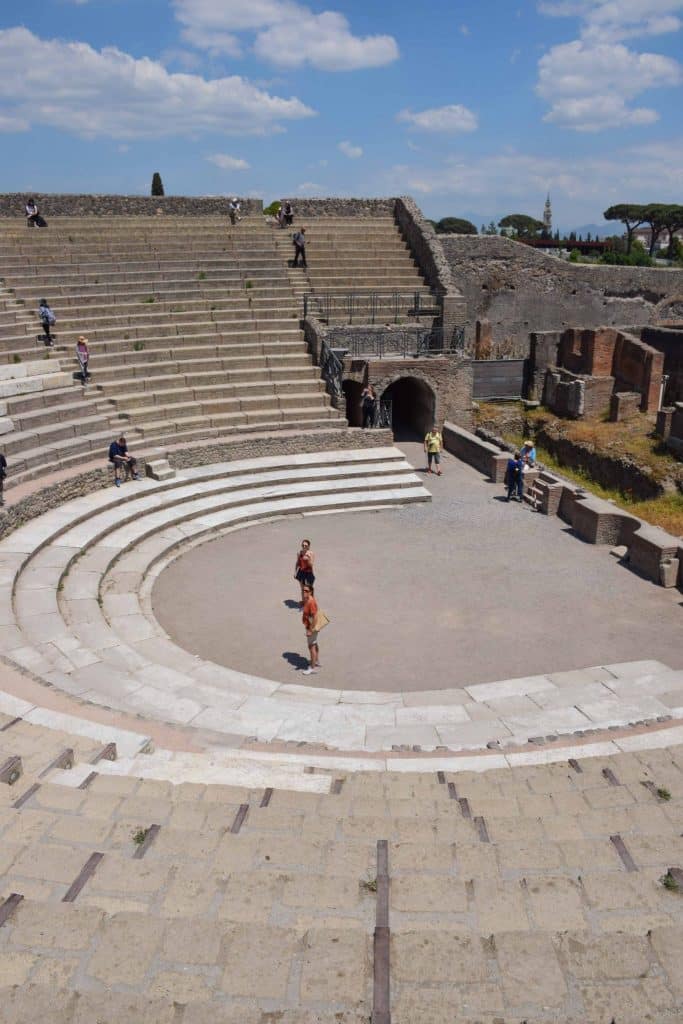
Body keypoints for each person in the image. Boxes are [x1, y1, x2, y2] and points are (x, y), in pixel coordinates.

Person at [301, 583, 319, 674]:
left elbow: (315, 617)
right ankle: (316, 661)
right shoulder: (308, 600)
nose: (304, 592)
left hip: (311, 626)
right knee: (314, 643)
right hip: (311, 626)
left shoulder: (311, 602)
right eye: (303, 590)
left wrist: (310, 630)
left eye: (306, 591)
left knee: (311, 646)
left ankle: (312, 668)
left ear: (311, 592)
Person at [294, 538, 315, 605]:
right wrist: (295, 572)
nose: (304, 547)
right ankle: (304, 602)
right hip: (301, 572)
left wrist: (308, 559)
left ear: (308, 546)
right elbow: (297, 563)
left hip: (308, 572)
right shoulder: (299, 553)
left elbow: (311, 564)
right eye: (303, 545)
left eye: (306, 545)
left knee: (309, 589)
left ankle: (311, 603)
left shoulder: (311, 553)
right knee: (302, 588)